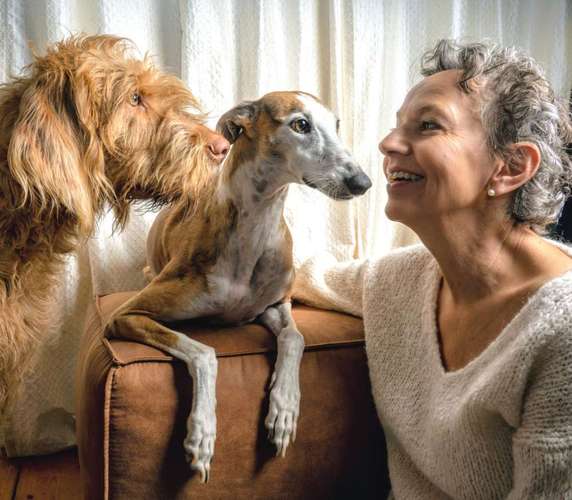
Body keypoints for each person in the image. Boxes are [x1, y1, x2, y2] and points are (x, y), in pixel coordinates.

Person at [293, 39, 572, 498]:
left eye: (428, 125)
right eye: (396, 126)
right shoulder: (398, 282)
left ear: (511, 166)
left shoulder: (558, 332)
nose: (387, 144)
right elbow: (300, 272)